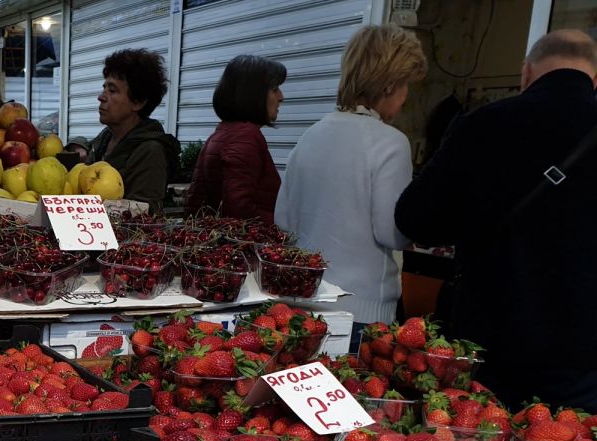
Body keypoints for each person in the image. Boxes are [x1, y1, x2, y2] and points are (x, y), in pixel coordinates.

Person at [395, 30, 597, 410]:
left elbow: (416, 218)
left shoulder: (482, 124)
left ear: (526, 72)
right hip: (584, 354)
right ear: (594, 80)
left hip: (491, 339)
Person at [275, 24, 426, 333]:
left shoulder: (311, 134)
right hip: (363, 311)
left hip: (301, 307)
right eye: (405, 84)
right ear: (388, 85)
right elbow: (392, 232)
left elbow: (283, 221)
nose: (406, 95)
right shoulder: (391, 142)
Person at [184, 55, 286, 223]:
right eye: (275, 89)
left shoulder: (222, 133)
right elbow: (239, 211)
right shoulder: (244, 138)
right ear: (254, 94)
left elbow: (195, 205)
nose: (281, 97)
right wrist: (284, 225)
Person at [88, 49, 180, 212]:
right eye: (104, 88)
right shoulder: (105, 139)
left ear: (138, 102)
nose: (101, 97)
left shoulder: (150, 152)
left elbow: (143, 215)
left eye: (112, 90)